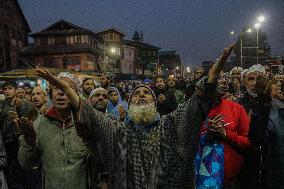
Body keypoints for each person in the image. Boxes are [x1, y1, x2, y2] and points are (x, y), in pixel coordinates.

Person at [36, 44, 234, 189]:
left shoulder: (171, 123)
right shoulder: (118, 131)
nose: (141, 95)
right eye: (135, 95)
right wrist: (67, 90)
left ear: (155, 104)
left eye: (146, 93)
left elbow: (196, 105)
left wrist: (211, 78)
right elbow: (91, 117)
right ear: (128, 105)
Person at [18, 72, 90, 189]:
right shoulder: (39, 124)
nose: (61, 92)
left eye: (67, 88)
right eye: (57, 88)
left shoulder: (85, 123)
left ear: (76, 95)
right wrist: (28, 142)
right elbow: (25, 164)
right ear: (50, 94)